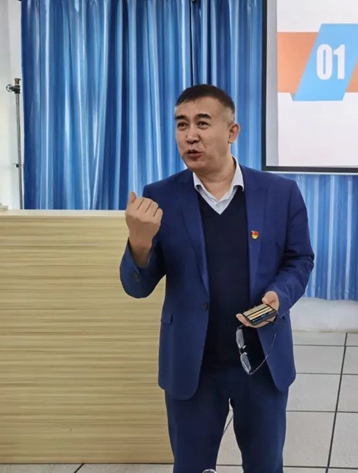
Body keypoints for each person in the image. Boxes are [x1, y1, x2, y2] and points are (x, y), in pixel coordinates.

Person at [119, 84, 314, 473]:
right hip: (193, 364)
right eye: (181, 124)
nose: (190, 135)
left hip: (261, 361)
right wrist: (139, 243)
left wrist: (279, 295)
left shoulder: (280, 193)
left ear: (232, 131)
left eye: (202, 123)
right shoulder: (161, 197)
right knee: (191, 465)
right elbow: (137, 287)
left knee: (265, 465)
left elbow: (299, 260)